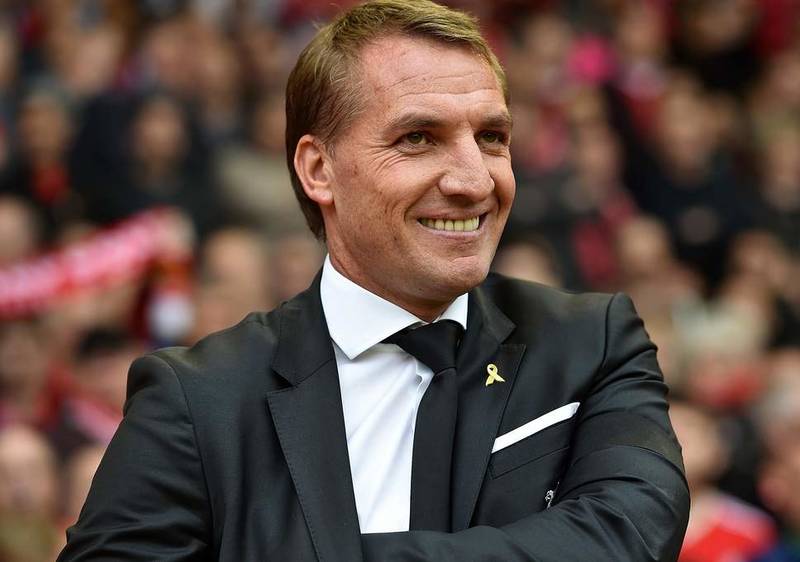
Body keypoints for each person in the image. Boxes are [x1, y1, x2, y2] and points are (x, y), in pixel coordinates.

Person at [58, 1, 689, 560]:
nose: (475, 179)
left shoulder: (592, 343)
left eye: (492, 137)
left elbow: (627, 536)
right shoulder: (199, 402)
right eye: (418, 138)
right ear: (319, 170)